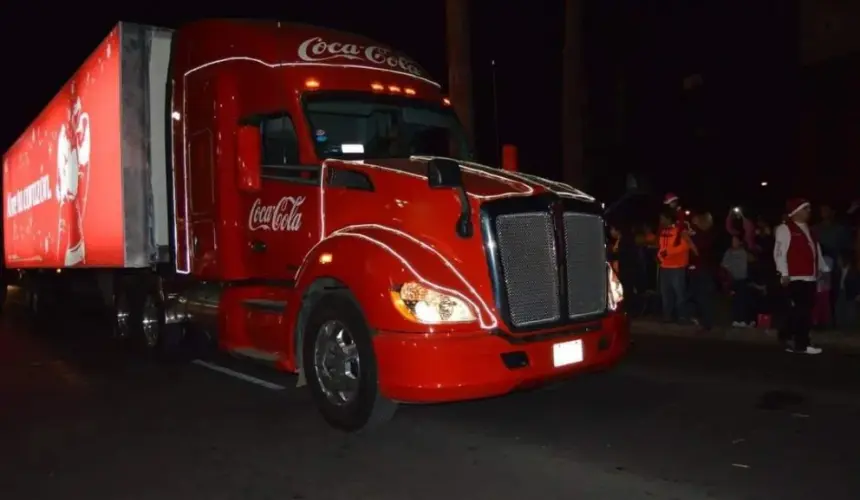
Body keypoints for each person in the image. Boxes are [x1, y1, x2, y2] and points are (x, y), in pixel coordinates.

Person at [773, 198, 830, 354]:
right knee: (802, 311)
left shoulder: (810, 230)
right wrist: (784, 273)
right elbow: (779, 252)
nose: (809, 212)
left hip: (810, 276)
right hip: (795, 276)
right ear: (796, 211)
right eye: (806, 209)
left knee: (802, 310)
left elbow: (815, 251)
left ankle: (787, 335)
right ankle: (802, 344)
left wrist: (823, 268)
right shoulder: (785, 229)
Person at [657, 207, 691, 323]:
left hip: (677, 267)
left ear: (668, 219)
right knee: (666, 294)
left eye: (662, 218)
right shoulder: (663, 232)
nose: (661, 221)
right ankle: (667, 316)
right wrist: (660, 256)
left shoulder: (679, 231)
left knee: (679, 294)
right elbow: (662, 248)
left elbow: (685, 246)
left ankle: (682, 317)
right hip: (665, 267)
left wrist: (667, 253)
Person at [688, 212, 716, 330]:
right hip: (696, 269)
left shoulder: (706, 235)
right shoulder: (697, 233)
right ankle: (701, 319)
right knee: (696, 294)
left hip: (703, 269)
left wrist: (689, 240)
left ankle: (707, 322)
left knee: (703, 296)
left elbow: (697, 251)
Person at [722, 235, 754, 327]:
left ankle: (744, 320)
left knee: (743, 300)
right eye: (733, 240)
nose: (734, 242)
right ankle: (737, 319)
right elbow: (724, 264)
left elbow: (752, 260)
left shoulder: (744, 251)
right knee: (736, 300)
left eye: (736, 240)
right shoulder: (729, 252)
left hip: (743, 279)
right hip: (733, 279)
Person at [834, 251, 860, 330]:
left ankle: (850, 327)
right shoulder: (838, 271)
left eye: (840, 259)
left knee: (850, 311)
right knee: (839, 309)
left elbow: (857, 283)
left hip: (850, 293)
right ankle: (840, 326)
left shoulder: (854, 271)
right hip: (840, 292)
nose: (838, 261)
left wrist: (858, 294)